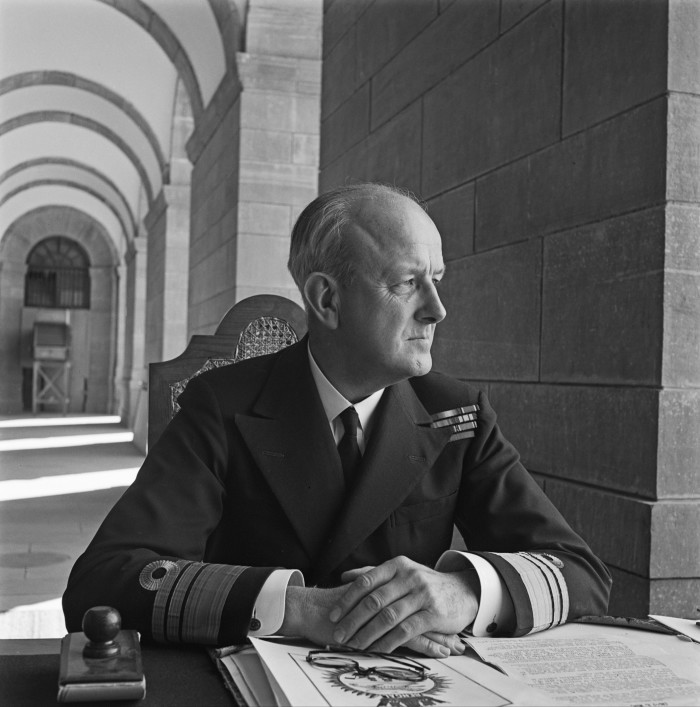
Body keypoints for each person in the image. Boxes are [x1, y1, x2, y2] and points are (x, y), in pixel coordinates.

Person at [63, 183, 611, 658]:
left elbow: (579, 572)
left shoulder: (458, 414)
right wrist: (303, 608)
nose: (437, 309)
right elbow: (101, 583)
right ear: (327, 299)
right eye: (407, 283)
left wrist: (462, 591)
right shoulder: (220, 405)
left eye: (437, 279)